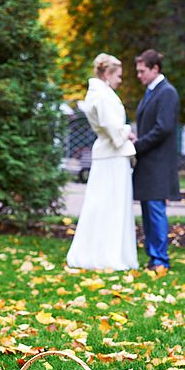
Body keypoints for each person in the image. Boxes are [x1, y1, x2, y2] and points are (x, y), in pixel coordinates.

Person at [66, 53, 138, 271]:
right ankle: (107, 255)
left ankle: (104, 252)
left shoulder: (98, 94)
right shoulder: (103, 96)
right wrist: (127, 131)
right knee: (110, 206)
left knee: (103, 205)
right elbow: (112, 127)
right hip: (111, 156)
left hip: (108, 155)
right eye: (118, 75)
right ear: (107, 74)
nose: (121, 80)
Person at [133, 49, 180, 271]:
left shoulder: (166, 92)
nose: (139, 75)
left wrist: (138, 144)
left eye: (142, 71)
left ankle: (160, 259)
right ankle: (154, 256)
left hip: (158, 164)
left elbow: (163, 128)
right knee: (148, 212)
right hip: (148, 163)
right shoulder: (152, 92)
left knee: (155, 211)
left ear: (155, 69)